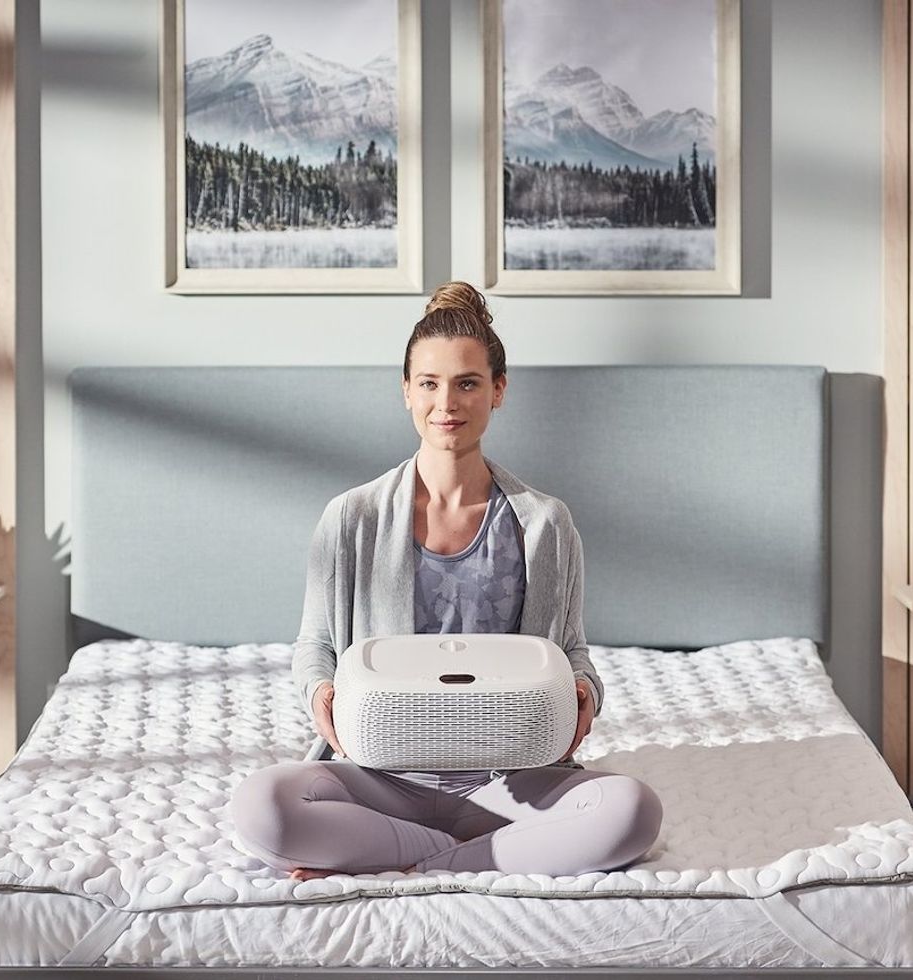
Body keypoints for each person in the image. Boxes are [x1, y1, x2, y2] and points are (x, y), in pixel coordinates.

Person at [231, 282, 663, 880]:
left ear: (498, 391)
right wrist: (320, 695)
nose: (447, 403)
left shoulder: (545, 522)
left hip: (510, 782)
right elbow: (316, 647)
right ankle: (466, 857)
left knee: (631, 811)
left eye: (467, 383)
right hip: (383, 777)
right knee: (262, 806)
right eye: (429, 384)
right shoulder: (351, 517)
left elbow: (570, 651)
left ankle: (405, 856)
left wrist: (586, 691)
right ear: (406, 391)